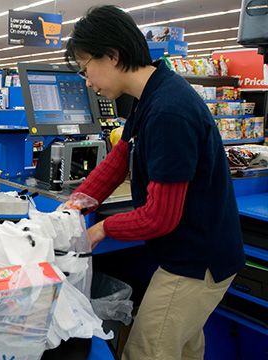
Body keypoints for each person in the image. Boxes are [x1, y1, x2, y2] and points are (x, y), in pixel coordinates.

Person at [64, 6, 244, 360]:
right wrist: (76, 204)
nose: (87, 82)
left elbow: (160, 216)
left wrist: (100, 229)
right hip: (194, 253)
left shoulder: (168, 112)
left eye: (87, 69)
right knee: (183, 350)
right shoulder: (151, 97)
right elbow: (118, 160)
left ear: (112, 56)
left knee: (147, 351)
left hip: (196, 263)